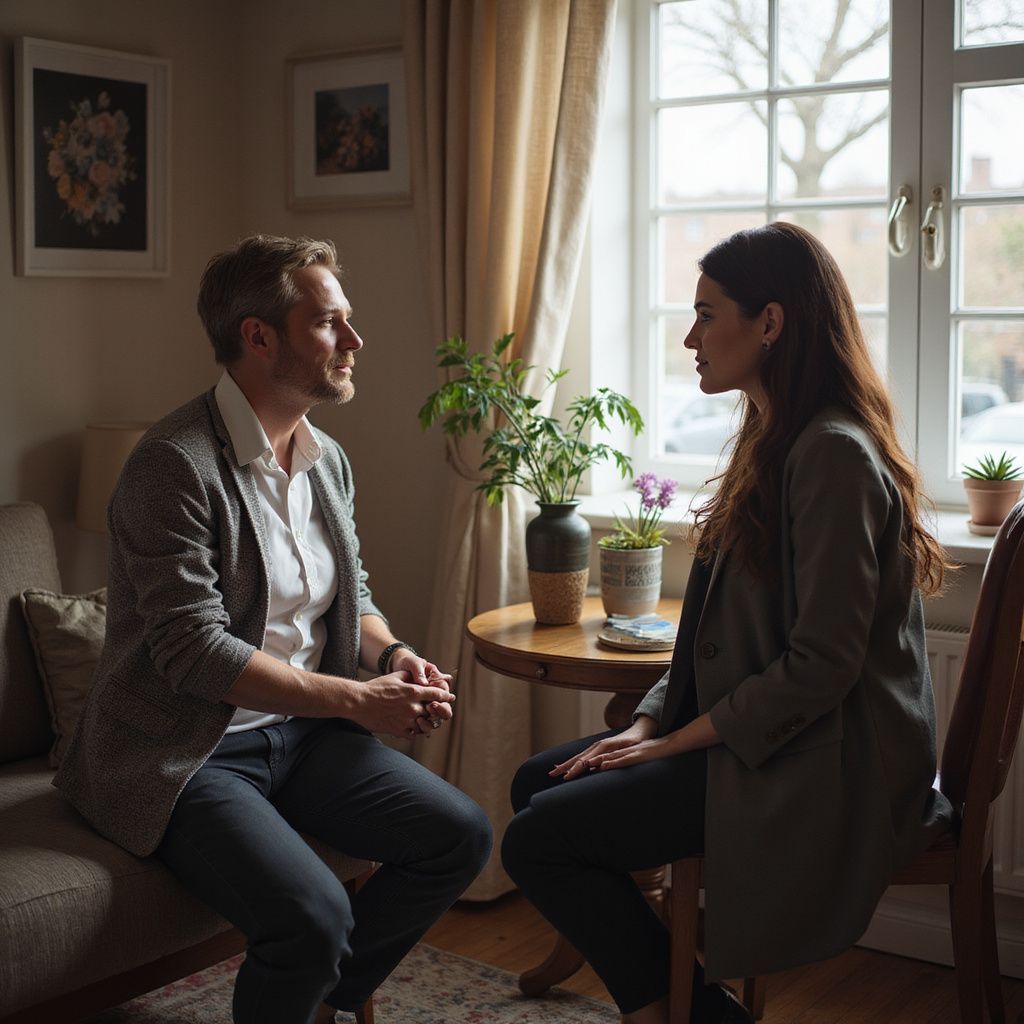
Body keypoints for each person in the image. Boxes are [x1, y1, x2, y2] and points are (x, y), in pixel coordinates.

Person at [501, 222, 953, 1024]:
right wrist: (650, 723)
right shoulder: (774, 438)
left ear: (770, 322)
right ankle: (676, 999)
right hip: (782, 737)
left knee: (539, 838)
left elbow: (823, 663)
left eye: (707, 315)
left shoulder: (833, 455)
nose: (690, 338)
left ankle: (686, 1012)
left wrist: (676, 741)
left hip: (829, 761)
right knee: (538, 783)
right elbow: (712, 638)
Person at [55, 234, 492, 1024]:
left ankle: (321, 998)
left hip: (304, 738)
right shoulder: (173, 465)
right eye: (328, 323)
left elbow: (349, 593)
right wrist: (358, 701)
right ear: (258, 337)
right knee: (312, 919)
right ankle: (309, 979)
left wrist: (392, 654)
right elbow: (196, 653)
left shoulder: (328, 460)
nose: (354, 340)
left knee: (458, 834)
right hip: (190, 750)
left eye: (346, 319)